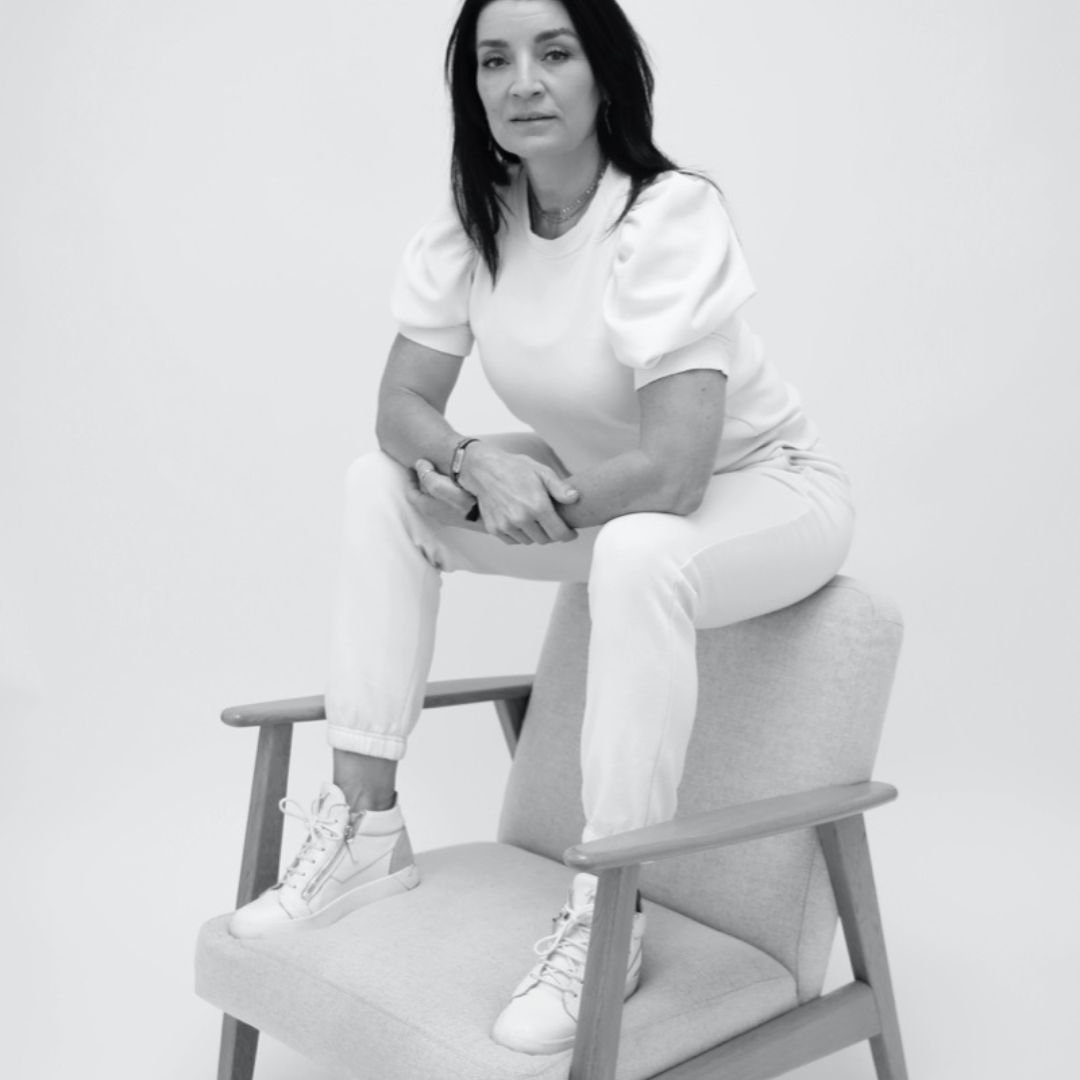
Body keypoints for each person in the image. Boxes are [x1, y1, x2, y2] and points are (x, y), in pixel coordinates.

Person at [228, 0, 855, 1057]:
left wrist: (523, 494)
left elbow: (675, 470)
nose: (522, 81)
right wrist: (475, 461)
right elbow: (401, 409)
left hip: (764, 490)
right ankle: (365, 830)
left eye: (554, 52)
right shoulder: (474, 226)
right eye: (494, 59)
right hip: (602, 492)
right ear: (472, 87)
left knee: (640, 548)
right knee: (379, 485)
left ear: (603, 74)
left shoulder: (667, 217)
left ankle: (609, 910)